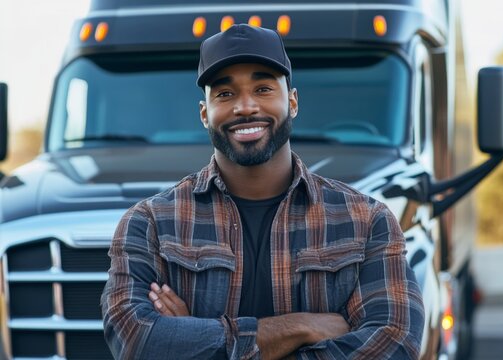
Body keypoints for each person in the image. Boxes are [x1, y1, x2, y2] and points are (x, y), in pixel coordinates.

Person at [101, 24, 424, 359]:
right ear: (204, 113)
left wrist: (198, 339)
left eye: (263, 88)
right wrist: (298, 328)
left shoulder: (367, 220)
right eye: (225, 94)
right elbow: (136, 340)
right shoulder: (150, 223)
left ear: (293, 101)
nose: (245, 106)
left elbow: (395, 343)